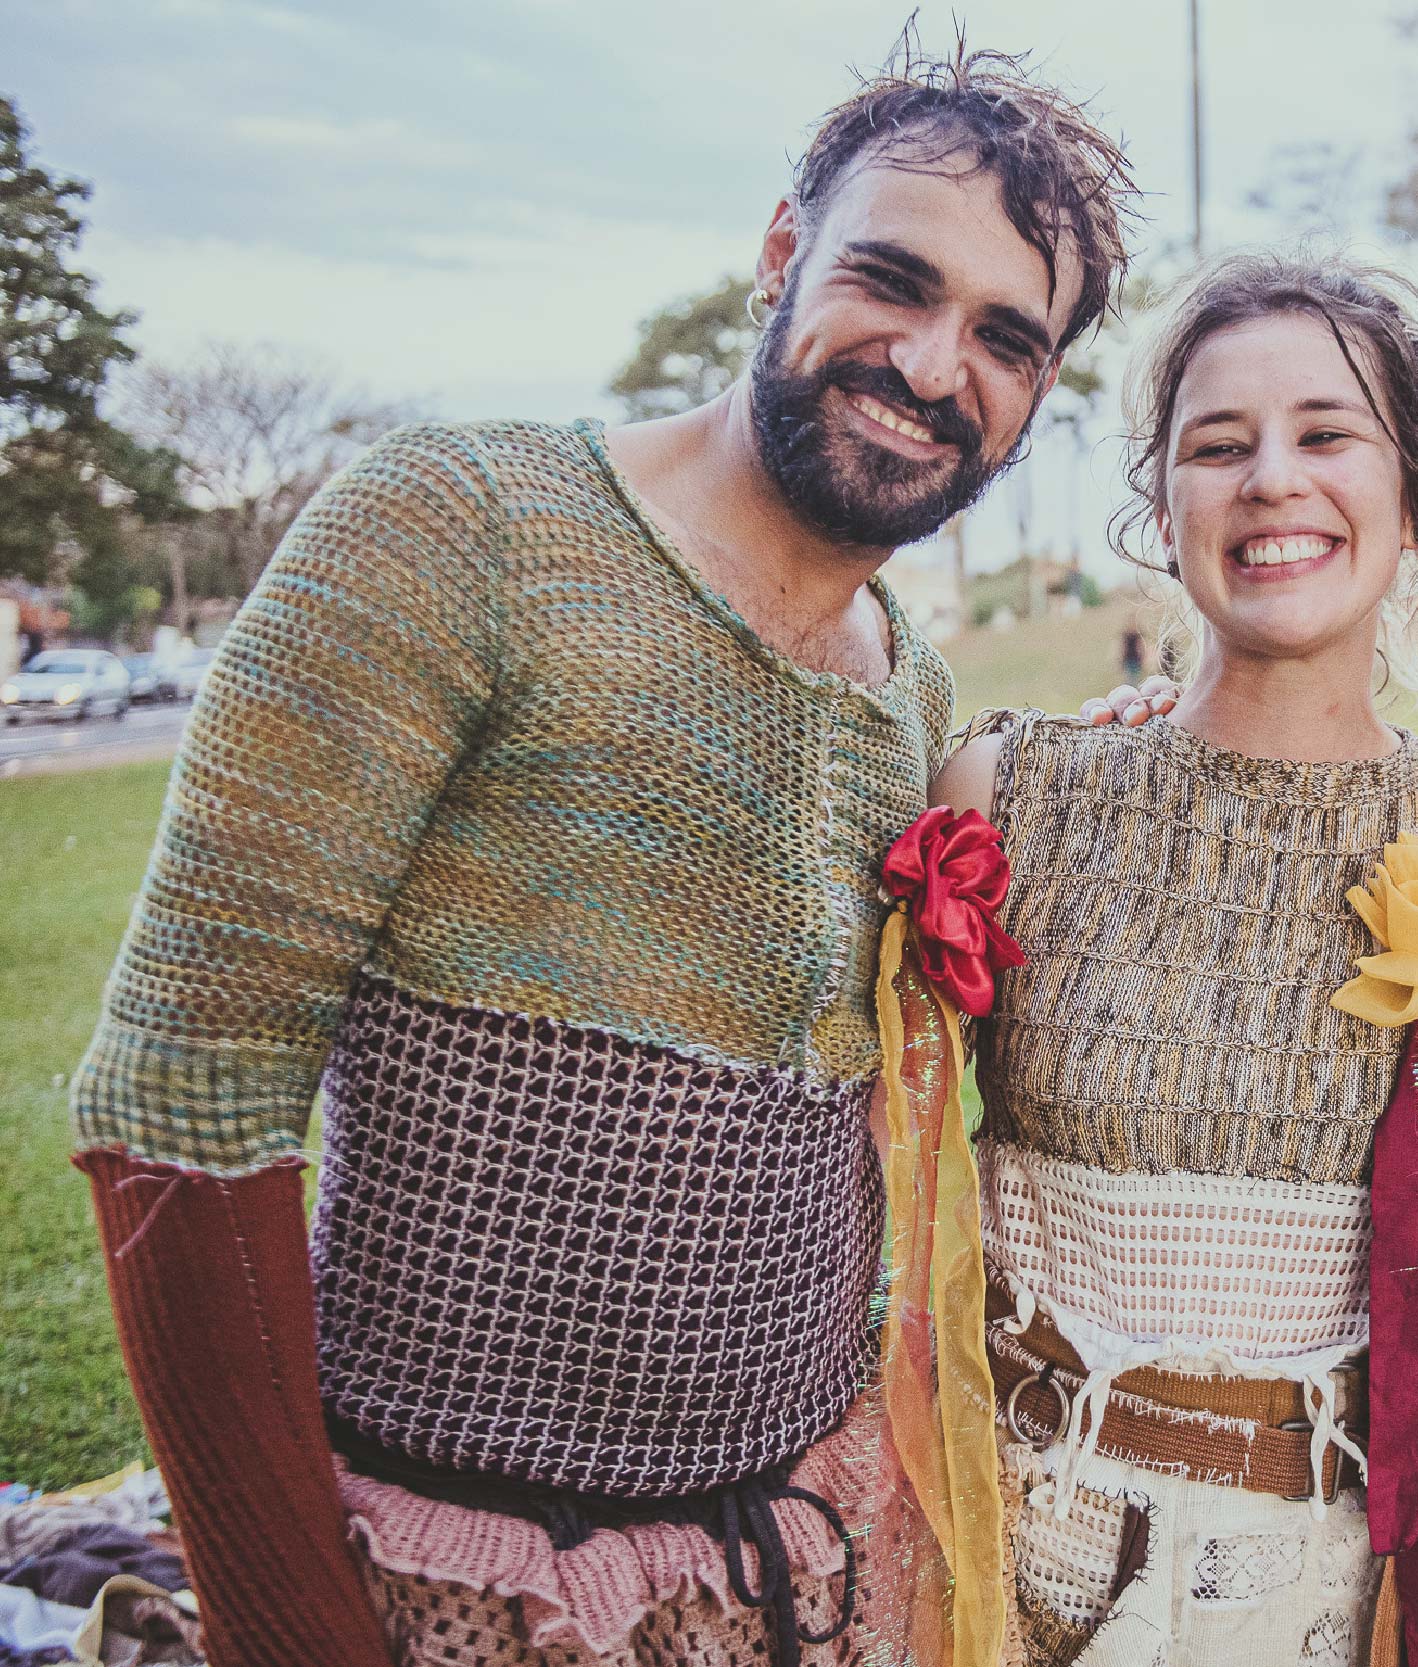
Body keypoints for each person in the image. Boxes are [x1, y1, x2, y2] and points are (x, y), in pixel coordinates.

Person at [67, 46, 1132, 1667]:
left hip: (785, 1577)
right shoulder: (457, 526)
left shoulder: (910, 687)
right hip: (442, 1575)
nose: (933, 365)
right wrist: (289, 1629)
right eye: (892, 281)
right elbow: (181, 1103)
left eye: (1005, 337)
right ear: (781, 254)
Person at [937, 253, 1418, 1667]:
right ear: (1160, 504)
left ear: (1415, 496)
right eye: (1219, 445)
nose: (1272, 481)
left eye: (1326, 434)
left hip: (1316, 1586)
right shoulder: (1015, 791)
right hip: (1014, 1555)